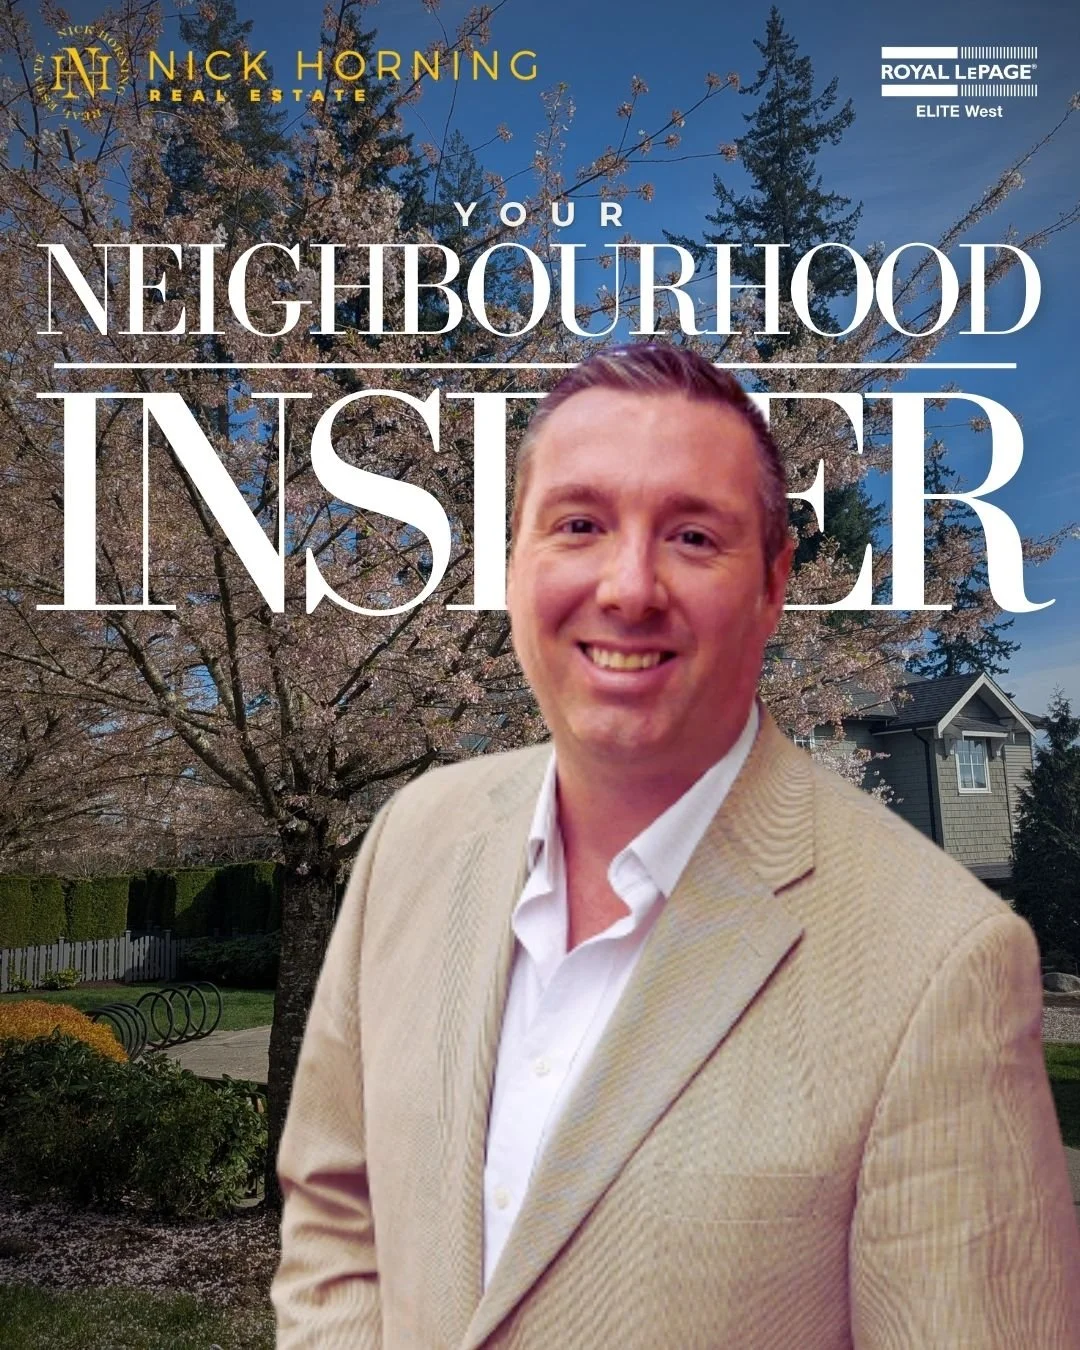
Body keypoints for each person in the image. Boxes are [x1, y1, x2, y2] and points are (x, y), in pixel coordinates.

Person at [272, 344, 1080, 1348]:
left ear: (774, 584)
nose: (628, 587)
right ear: (514, 561)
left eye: (694, 536)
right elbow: (335, 1215)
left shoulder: (942, 964)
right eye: (578, 524)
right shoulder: (413, 839)